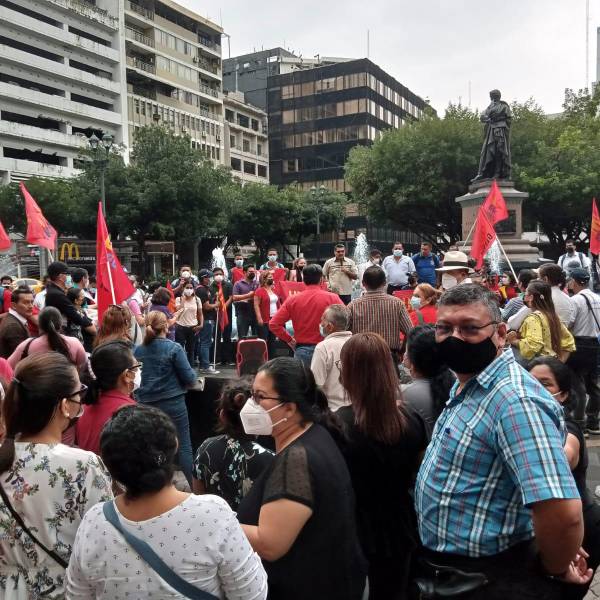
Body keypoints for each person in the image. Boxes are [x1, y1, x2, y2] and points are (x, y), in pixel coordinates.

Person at [415, 283, 589, 598]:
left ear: (499, 333)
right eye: (444, 328)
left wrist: (552, 567)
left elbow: (562, 513)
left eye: (469, 328)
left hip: (489, 579)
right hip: (454, 573)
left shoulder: (515, 401)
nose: (455, 338)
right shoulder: (470, 383)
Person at [66, 404, 268, 599]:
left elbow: (77, 594)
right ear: (175, 444)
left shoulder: (94, 522)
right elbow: (252, 594)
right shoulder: (213, 514)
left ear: (110, 465)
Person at [237, 357, 367, 600]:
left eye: (260, 397)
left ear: (289, 408)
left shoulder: (296, 459)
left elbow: (270, 544)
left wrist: (219, 522)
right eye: (251, 395)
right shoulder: (316, 433)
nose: (251, 404)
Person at [0, 352, 113, 599]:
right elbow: (103, 543)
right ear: (64, 405)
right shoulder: (84, 466)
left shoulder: (5, 456)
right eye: (79, 393)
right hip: (64, 589)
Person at [337, 333, 428, 599]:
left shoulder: (338, 425)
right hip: (401, 526)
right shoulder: (411, 419)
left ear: (348, 372)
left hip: (354, 531)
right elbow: (422, 474)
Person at [528, 356, 600, 600]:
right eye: (529, 382)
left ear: (564, 395)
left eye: (545, 384)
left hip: (582, 529)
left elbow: (564, 455)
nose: (535, 389)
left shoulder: (568, 428)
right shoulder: (529, 425)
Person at [134, 311, 197, 484]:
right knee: (184, 446)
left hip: (145, 404)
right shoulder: (174, 348)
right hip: (173, 402)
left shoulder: (137, 350)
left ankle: (154, 488)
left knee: (150, 447)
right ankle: (195, 488)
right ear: (166, 326)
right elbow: (190, 379)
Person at [192, 379, 274, 510]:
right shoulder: (270, 460)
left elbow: (198, 496)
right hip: (253, 523)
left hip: (213, 519)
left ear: (222, 416)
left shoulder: (206, 448)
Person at [269, 264, 343, 366]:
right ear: (321, 279)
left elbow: (273, 324)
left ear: (303, 279)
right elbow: (346, 319)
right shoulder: (333, 298)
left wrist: (289, 339)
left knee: (303, 376)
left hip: (303, 350)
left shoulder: (293, 300)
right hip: (327, 348)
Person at [75, 341, 137, 455]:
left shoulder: (84, 409)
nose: (138, 372)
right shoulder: (131, 412)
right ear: (126, 375)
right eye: (136, 368)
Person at [347, 266, 411, 359]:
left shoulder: (352, 306)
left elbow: (344, 333)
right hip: (389, 355)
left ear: (363, 283)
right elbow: (410, 331)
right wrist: (402, 350)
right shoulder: (397, 304)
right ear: (385, 282)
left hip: (362, 356)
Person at [403, 325, 456, 437]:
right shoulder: (457, 385)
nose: (404, 355)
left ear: (413, 359)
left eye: (406, 350)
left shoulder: (405, 395)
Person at [507, 280, 575, 363]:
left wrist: (514, 341)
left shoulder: (533, 318)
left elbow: (533, 345)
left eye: (526, 293)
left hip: (535, 366)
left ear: (531, 297)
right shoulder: (552, 316)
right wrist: (559, 363)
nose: (524, 296)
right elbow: (569, 342)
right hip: (551, 364)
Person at [566, 268, 600, 434]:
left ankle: (580, 424)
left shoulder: (575, 300)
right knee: (593, 384)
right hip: (595, 344)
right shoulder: (598, 298)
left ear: (574, 282)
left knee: (577, 385)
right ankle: (593, 421)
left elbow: (569, 323)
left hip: (578, 345)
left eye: (570, 280)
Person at [8, 306, 87, 373]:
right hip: (69, 385)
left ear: (39, 325)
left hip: (36, 386)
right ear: (60, 324)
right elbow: (82, 366)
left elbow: (8, 367)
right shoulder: (74, 343)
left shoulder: (27, 345)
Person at [310, 304, 352, 412]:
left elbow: (316, 383)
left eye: (322, 320)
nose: (320, 324)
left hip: (332, 410)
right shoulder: (357, 343)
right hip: (356, 410)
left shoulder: (323, 347)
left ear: (330, 327)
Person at [45, 261, 96, 338]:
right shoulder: (56, 294)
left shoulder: (56, 290)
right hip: (60, 335)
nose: (69, 277)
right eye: (67, 274)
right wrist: (91, 326)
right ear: (60, 277)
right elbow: (73, 313)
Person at [174, 279, 203, 368]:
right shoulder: (178, 299)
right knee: (180, 349)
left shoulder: (197, 299)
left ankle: (191, 369)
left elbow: (200, 314)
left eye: (191, 288)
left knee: (191, 350)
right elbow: (178, 311)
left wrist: (201, 325)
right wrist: (183, 300)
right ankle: (180, 368)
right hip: (180, 327)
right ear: (183, 288)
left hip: (193, 327)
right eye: (187, 288)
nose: (189, 289)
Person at [195, 269, 220, 374]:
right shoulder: (201, 290)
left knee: (203, 342)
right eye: (208, 277)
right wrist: (216, 305)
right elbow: (206, 306)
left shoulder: (205, 289)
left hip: (206, 319)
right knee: (206, 342)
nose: (210, 279)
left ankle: (203, 365)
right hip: (206, 319)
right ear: (203, 278)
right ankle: (206, 366)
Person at [0, 287, 34, 359]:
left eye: (32, 302)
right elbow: (22, 357)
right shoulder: (13, 326)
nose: (31, 306)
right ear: (14, 306)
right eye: (26, 302)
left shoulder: (15, 319)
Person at [254, 270, 281, 358]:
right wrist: (259, 318)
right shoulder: (259, 291)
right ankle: (261, 359)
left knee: (272, 341)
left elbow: (278, 304)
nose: (272, 279)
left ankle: (271, 359)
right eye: (269, 277)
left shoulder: (273, 290)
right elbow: (256, 305)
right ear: (264, 279)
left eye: (272, 277)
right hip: (264, 319)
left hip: (274, 320)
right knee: (263, 340)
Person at [211, 266, 234, 365]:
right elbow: (210, 300)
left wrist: (224, 307)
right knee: (216, 336)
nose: (218, 276)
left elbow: (231, 297)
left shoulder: (228, 285)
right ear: (213, 276)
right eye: (216, 274)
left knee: (227, 336)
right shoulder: (211, 287)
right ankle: (216, 358)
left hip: (226, 314)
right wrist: (215, 306)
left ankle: (227, 359)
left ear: (223, 275)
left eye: (220, 274)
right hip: (215, 315)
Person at [233, 264, 259, 339]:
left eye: (253, 271)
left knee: (257, 338)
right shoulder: (238, 284)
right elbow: (234, 297)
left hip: (255, 314)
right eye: (250, 271)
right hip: (242, 314)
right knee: (242, 337)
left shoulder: (257, 283)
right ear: (244, 272)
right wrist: (248, 295)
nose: (252, 273)